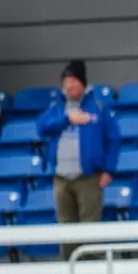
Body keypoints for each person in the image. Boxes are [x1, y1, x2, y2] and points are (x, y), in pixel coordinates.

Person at [36, 61, 120, 225]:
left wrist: (109, 170)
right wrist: (68, 120)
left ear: (83, 83)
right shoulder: (57, 107)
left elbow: (113, 140)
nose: (69, 86)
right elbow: (42, 127)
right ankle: (68, 253)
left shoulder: (98, 107)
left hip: (88, 178)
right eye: (66, 82)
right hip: (61, 178)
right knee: (65, 225)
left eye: (73, 81)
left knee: (90, 227)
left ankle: (89, 253)